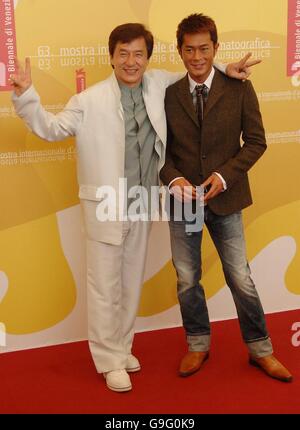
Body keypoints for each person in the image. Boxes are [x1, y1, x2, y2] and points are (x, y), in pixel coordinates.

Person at [10, 22, 260, 392]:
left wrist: (227, 69)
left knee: (129, 283)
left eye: (138, 54)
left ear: (147, 58)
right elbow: (50, 128)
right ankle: (109, 359)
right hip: (107, 203)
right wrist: (26, 96)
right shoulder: (88, 100)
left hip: (142, 200)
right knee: (104, 286)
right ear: (111, 58)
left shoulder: (158, 84)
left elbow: (194, 69)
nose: (131, 61)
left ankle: (121, 349)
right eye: (123, 54)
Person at [160, 14, 293, 383]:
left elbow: (256, 142)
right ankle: (198, 343)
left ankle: (261, 350)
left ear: (215, 49)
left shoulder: (238, 87)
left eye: (204, 48)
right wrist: (176, 179)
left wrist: (223, 176)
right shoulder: (168, 95)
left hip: (226, 199)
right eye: (190, 49)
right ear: (180, 51)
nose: (197, 56)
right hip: (184, 203)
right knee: (187, 278)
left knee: (240, 276)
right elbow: (160, 152)